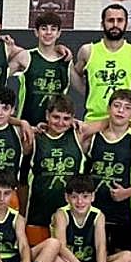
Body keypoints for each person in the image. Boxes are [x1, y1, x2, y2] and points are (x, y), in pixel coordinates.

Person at [83, 89, 131, 255]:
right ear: (108, 109)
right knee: (94, 254)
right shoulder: (94, 138)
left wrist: (128, 192)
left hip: (124, 212)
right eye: (116, 106)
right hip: (94, 208)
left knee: (124, 257)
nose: (121, 110)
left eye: (127, 108)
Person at [48, 175, 131, 262]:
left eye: (85, 196)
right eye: (74, 197)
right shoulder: (61, 214)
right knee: (51, 259)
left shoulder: (98, 215)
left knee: (128, 257)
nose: (80, 202)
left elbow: (101, 247)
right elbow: (62, 249)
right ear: (67, 197)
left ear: (93, 197)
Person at [72, 3, 131, 121]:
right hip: (94, 120)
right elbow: (75, 74)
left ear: (126, 24)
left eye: (120, 20)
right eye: (110, 20)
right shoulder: (88, 51)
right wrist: (87, 91)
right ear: (102, 24)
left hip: (126, 122)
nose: (115, 25)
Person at [22, 96, 85, 246]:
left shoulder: (78, 135)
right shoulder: (34, 137)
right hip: (39, 210)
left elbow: (112, 122)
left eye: (66, 118)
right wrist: (23, 123)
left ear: (72, 119)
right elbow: (1, 123)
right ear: (47, 115)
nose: (60, 122)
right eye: (56, 117)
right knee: (37, 254)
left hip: (71, 210)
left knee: (64, 253)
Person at [9, 11, 71, 128]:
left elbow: (84, 86)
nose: (48, 32)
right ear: (36, 32)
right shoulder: (25, 57)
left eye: (53, 29)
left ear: (59, 33)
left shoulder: (66, 61)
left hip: (55, 127)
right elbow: (0, 75)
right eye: (44, 28)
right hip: (28, 127)